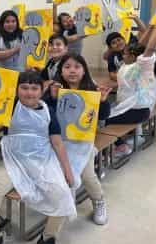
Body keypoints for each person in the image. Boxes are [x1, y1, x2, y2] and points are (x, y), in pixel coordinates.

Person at [0, 71, 75, 244]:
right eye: (24, 87)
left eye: (34, 88)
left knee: (62, 193)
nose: (29, 92)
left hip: (41, 161)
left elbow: (57, 142)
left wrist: (67, 170)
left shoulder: (48, 111)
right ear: (17, 89)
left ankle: (48, 238)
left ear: (41, 90)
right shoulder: (9, 106)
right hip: (13, 161)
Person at [43, 54, 111, 228]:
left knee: (87, 175)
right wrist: (52, 98)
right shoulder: (55, 88)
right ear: (61, 71)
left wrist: (102, 102)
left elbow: (103, 118)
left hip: (82, 143)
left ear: (84, 70)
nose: (72, 70)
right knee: (59, 175)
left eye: (77, 67)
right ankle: (62, 203)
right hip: (58, 143)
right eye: (67, 67)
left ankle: (99, 200)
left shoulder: (92, 89)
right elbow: (43, 114)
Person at [106, 18, 156, 156]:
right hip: (131, 106)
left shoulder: (141, 66)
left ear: (132, 56)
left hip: (138, 110)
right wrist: (152, 25)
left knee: (102, 119)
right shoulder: (130, 64)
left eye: (124, 54)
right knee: (104, 111)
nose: (122, 55)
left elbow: (149, 48)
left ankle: (121, 147)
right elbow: (141, 44)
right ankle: (128, 139)